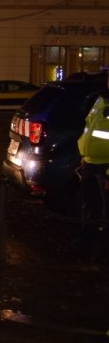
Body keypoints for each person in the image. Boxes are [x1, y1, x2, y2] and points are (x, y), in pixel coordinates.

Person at [75, 94, 109, 248]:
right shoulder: (100, 100)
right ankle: (87, 240)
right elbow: (88, 127)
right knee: (89, 205)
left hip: (105, 167)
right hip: (90, 162)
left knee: (105, 210)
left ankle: (102, 246)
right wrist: (84, 155)